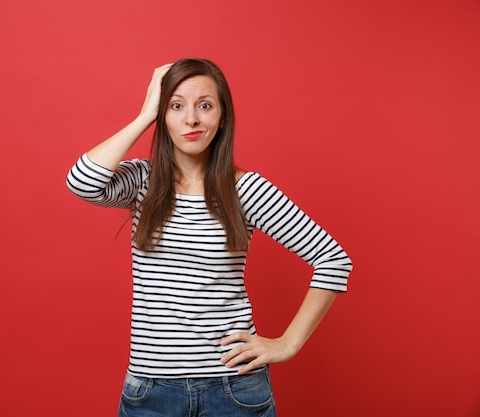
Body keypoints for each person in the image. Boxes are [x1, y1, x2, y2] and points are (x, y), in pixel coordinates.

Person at [67, 58, 353, 417]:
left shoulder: (245, 190)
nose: (191, 119)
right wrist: (144, 116)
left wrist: (287, 344)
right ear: (162, 115)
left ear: (221, 118)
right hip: (151, 390)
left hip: (234, 389)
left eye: (205, 105)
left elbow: (333, 259)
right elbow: (81, 182)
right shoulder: (142, 182)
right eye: (176, 106)